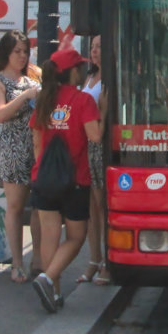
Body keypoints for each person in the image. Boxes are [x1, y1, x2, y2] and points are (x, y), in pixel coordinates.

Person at [29, 47, 101, 312]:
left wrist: (40, 169)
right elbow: (95, 136)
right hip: (75, 179)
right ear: (73, 72)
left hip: (44, 178)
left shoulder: (45, 100)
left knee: (50, 236)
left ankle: (54, 292)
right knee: (76, 236)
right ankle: (47, 279)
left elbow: (36, 140)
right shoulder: (83, 101)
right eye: (80, 68)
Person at [0, 30, 42, 283]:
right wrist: (24, 96)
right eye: (16, 51)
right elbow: (0, 114)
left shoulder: (32, 79)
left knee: (40, 207)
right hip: (13, 148)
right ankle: (17, 263)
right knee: (16, 206)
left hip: (36, 145)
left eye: (25, 51)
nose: (22, 56)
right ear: (6, 53)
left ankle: (39, 259)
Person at [77, 35, 111, 286]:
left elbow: (104, 115)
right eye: (92, 47)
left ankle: (106, 262)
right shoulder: (89, 77)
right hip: (85, 144)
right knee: (90, 207)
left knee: (102, 206)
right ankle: (94, 259)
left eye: (100, 46)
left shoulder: (108, 80)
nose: (95, 51)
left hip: (100, 145)